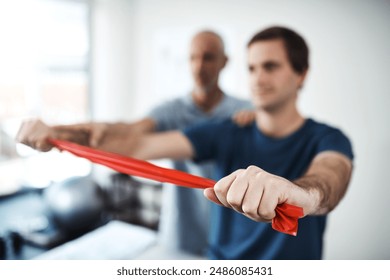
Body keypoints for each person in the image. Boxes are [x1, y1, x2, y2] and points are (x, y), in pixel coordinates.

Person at [17, 26, 354, 260]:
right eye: (252, 68)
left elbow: (330, 179)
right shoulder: (222, 131)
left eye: (270, 66)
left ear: (302, 74)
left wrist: (302, 196)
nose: (258, 78)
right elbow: (133, 144)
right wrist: (58, 134)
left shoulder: (328, 137)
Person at [16, 30, 253, 257]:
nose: (199, 66)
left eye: (208, 57)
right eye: (193, 57)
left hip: (235, 234)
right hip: (182, 231)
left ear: (224, 61)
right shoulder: (171, 111)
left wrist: (261, 122)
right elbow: (127, 134)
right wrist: (56, 134)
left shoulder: (245, 113)